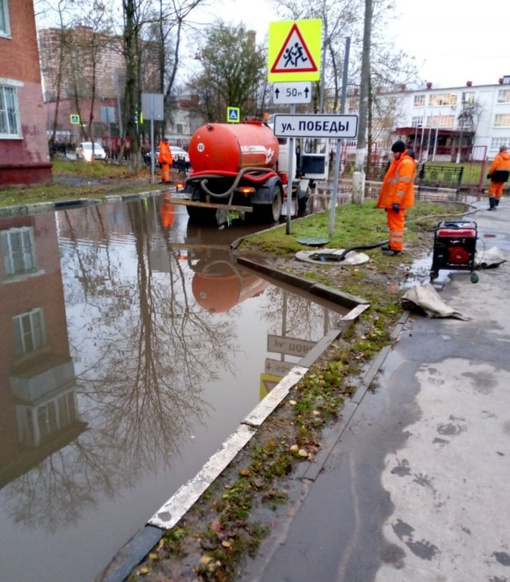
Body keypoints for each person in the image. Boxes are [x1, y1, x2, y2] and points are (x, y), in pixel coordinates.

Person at [376, 140, 416, 256]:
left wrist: (396, 202)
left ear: (400, 152)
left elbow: (402, 185)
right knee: (392, 224)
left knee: (396, 225)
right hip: (393, 200)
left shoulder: (406, 163)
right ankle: (393, 244)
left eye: (395, 152)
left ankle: (396, 248)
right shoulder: (400, 161)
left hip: (398, 201)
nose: (393, 155)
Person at [486, 145, 510, 210]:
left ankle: (492, 205)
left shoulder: (498, 156)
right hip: (505, 175)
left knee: (492, 189)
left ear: (500, 150)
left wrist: (490, 173)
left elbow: (494, 166)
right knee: (499, 189)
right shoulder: (509, 157)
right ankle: (496, 203)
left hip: (497, 174)